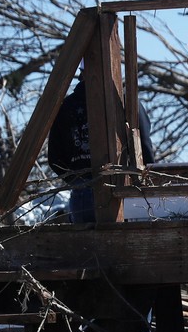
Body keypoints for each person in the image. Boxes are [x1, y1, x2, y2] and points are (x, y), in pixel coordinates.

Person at [48, 76, 155, 223]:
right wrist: (146, 179)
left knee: (86, 244)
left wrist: (78, 180)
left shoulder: (66, 106)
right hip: (121, 191)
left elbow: (55, 158)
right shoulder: (124, 101)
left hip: (82, 197)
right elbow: (144, 146)